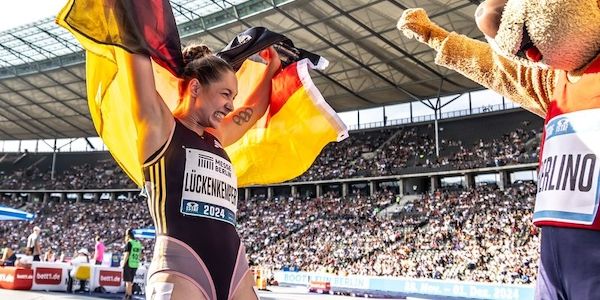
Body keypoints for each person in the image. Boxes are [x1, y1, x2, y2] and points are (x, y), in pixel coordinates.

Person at [130, 42, 280, 299]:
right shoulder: (160, 127)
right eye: (225, 94)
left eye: (233, 97)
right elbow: (133, 52)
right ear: (196, 87)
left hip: (236, 271)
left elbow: (253, 111)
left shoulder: (218, 136)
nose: (231, 105)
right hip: (182, 269)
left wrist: (272, 68)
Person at [121, 228, 142, 300]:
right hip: (135, 263)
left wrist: (123, 264)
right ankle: (129, 295)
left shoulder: (129, 243)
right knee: (131, 281)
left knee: (128, 281)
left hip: (128, 263)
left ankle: (128, 296)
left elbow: (127, 254)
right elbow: (140, 255)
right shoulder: (138, 243)